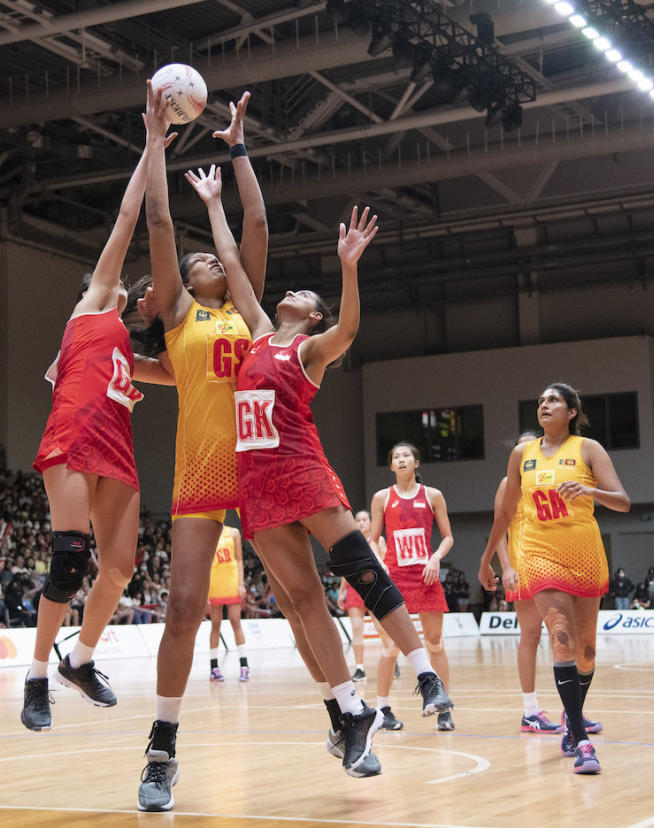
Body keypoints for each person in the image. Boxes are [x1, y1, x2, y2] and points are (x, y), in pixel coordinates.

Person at [186, 157, 453, 774]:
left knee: (360, 566)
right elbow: (230, 262)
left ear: (311, 316)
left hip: (300, 470)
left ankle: (424, 675)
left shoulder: (309, 349)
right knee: (303, 603)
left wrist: (348, 269)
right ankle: (350, 710)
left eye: (307, 296)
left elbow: (351, 329)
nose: (293, 291)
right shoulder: (256, 330)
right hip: (255, 484)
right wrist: (211, 205)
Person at [136, 83, 274, 811]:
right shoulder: (184, 319)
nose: (212, 264)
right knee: (183, 608)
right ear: (185, 284)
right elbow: (159, 219)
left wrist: (240, 146)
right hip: (198, 474)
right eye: (201, 264)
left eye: (216, 262)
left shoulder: (249, 308)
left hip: (258, 472)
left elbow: (255, 219)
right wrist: (156, 141)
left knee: (298, 591)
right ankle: (162, 749)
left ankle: (343, 712)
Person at [20, 135, 175, 732]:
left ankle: (78, 660)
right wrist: (152, 145)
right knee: (69, 561)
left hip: (117, 449)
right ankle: (36, 676)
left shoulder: (126, 351)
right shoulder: (90, 312)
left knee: (118, 569)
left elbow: (176, 375)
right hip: (73, 437)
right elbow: (129, 216)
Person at [483, 382, 630, 775]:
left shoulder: (588, 449)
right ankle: (581, 739)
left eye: (553, 401)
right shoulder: (521, 455)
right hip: (538, 554)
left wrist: (587, 489)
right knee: (559, 635)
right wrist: (487, 561)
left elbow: (623, 500)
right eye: (541, 401)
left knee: (586, 651)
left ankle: (571, 718)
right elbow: (504, 513)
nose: (544, 406)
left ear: (571, 411)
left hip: (584, 552)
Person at [486, 431, 603, 737]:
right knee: (531, 634)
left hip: (554, 559)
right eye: (521, 446)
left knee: (570, 637)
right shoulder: (508, 483)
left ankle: (572, 711)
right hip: (524, 563)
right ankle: (530, 711)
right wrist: (506, 567)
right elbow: (499, 527)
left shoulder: (550, 475)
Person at [368, 442, 458, 731]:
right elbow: (372, 538)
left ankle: (443, 706)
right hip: (395, 578)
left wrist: (436, 558)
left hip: (427, 577)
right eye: (396, 457)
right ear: (392, 466)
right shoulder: (382, 498)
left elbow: (448, 537)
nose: (402, 459)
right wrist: (380, 562)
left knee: (434, 643)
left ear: (416, 462)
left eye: (407, 455)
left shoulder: (433, 496)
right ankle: (382, 710)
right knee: (391, 646)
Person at [337, 509, 397, 692]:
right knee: (356, 629)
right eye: (358, 520)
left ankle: (391, 657)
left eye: (365, 519)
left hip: (374, 588)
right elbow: (346, 571)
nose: (362, 522)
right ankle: (359, 668)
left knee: (381, 627)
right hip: (355, 589)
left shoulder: (378, 540)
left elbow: (387, 561)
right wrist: (341, 592)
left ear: (370, 522)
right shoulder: (349, 542)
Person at [206, 525, 250, 681]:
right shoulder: (207, 532)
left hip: (231, 581)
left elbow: (239, 560)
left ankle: (244, 666)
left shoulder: (234, 532)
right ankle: (214, 668)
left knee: (235, 621)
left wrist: (241, 583)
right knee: (215, 624)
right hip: (214, 583)